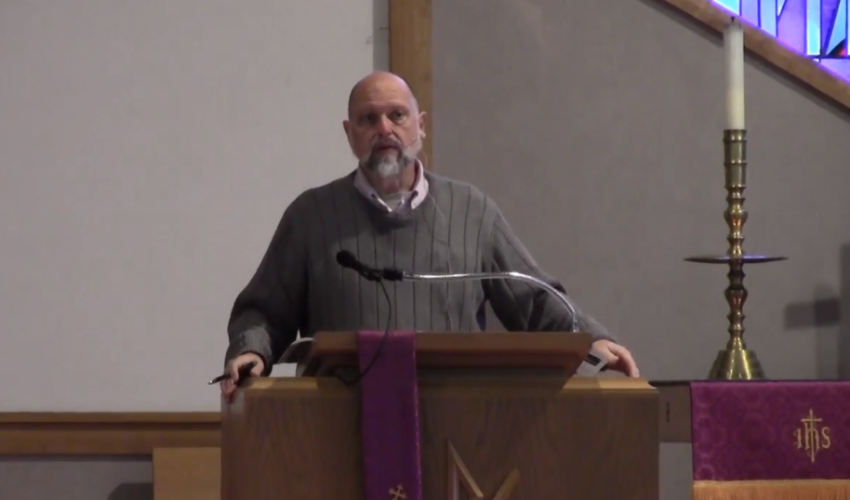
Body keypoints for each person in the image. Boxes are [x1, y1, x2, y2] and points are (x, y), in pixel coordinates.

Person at [220, 71, 639, 401]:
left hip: (456, 422)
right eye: (369, 119)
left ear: (420, 126)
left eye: (397, 116)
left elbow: (532, 298)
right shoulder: (311, 215)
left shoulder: (472, 210)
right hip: (337, 425)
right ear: (349, 134)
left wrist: (592, 338)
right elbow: (264, 311)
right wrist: (251, 350)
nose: (385, 128)